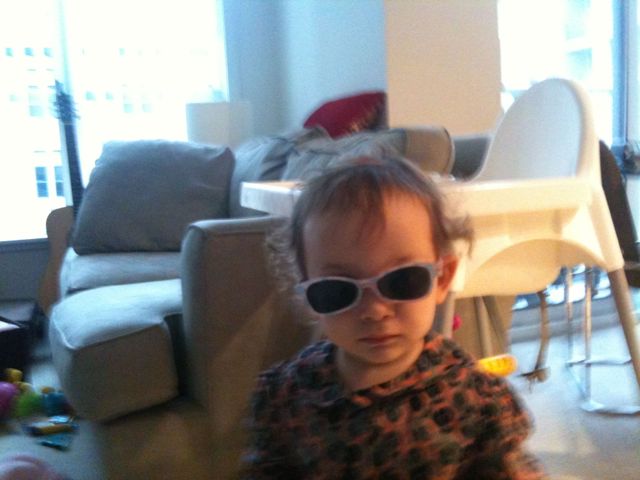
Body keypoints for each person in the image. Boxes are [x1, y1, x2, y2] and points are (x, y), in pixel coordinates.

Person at [241, 157, 546, 479]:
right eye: (337, 290)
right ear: (308, 294)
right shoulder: (287, 395)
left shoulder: (474, 399)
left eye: (403, 281)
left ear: (442, 279)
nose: (375, 311)